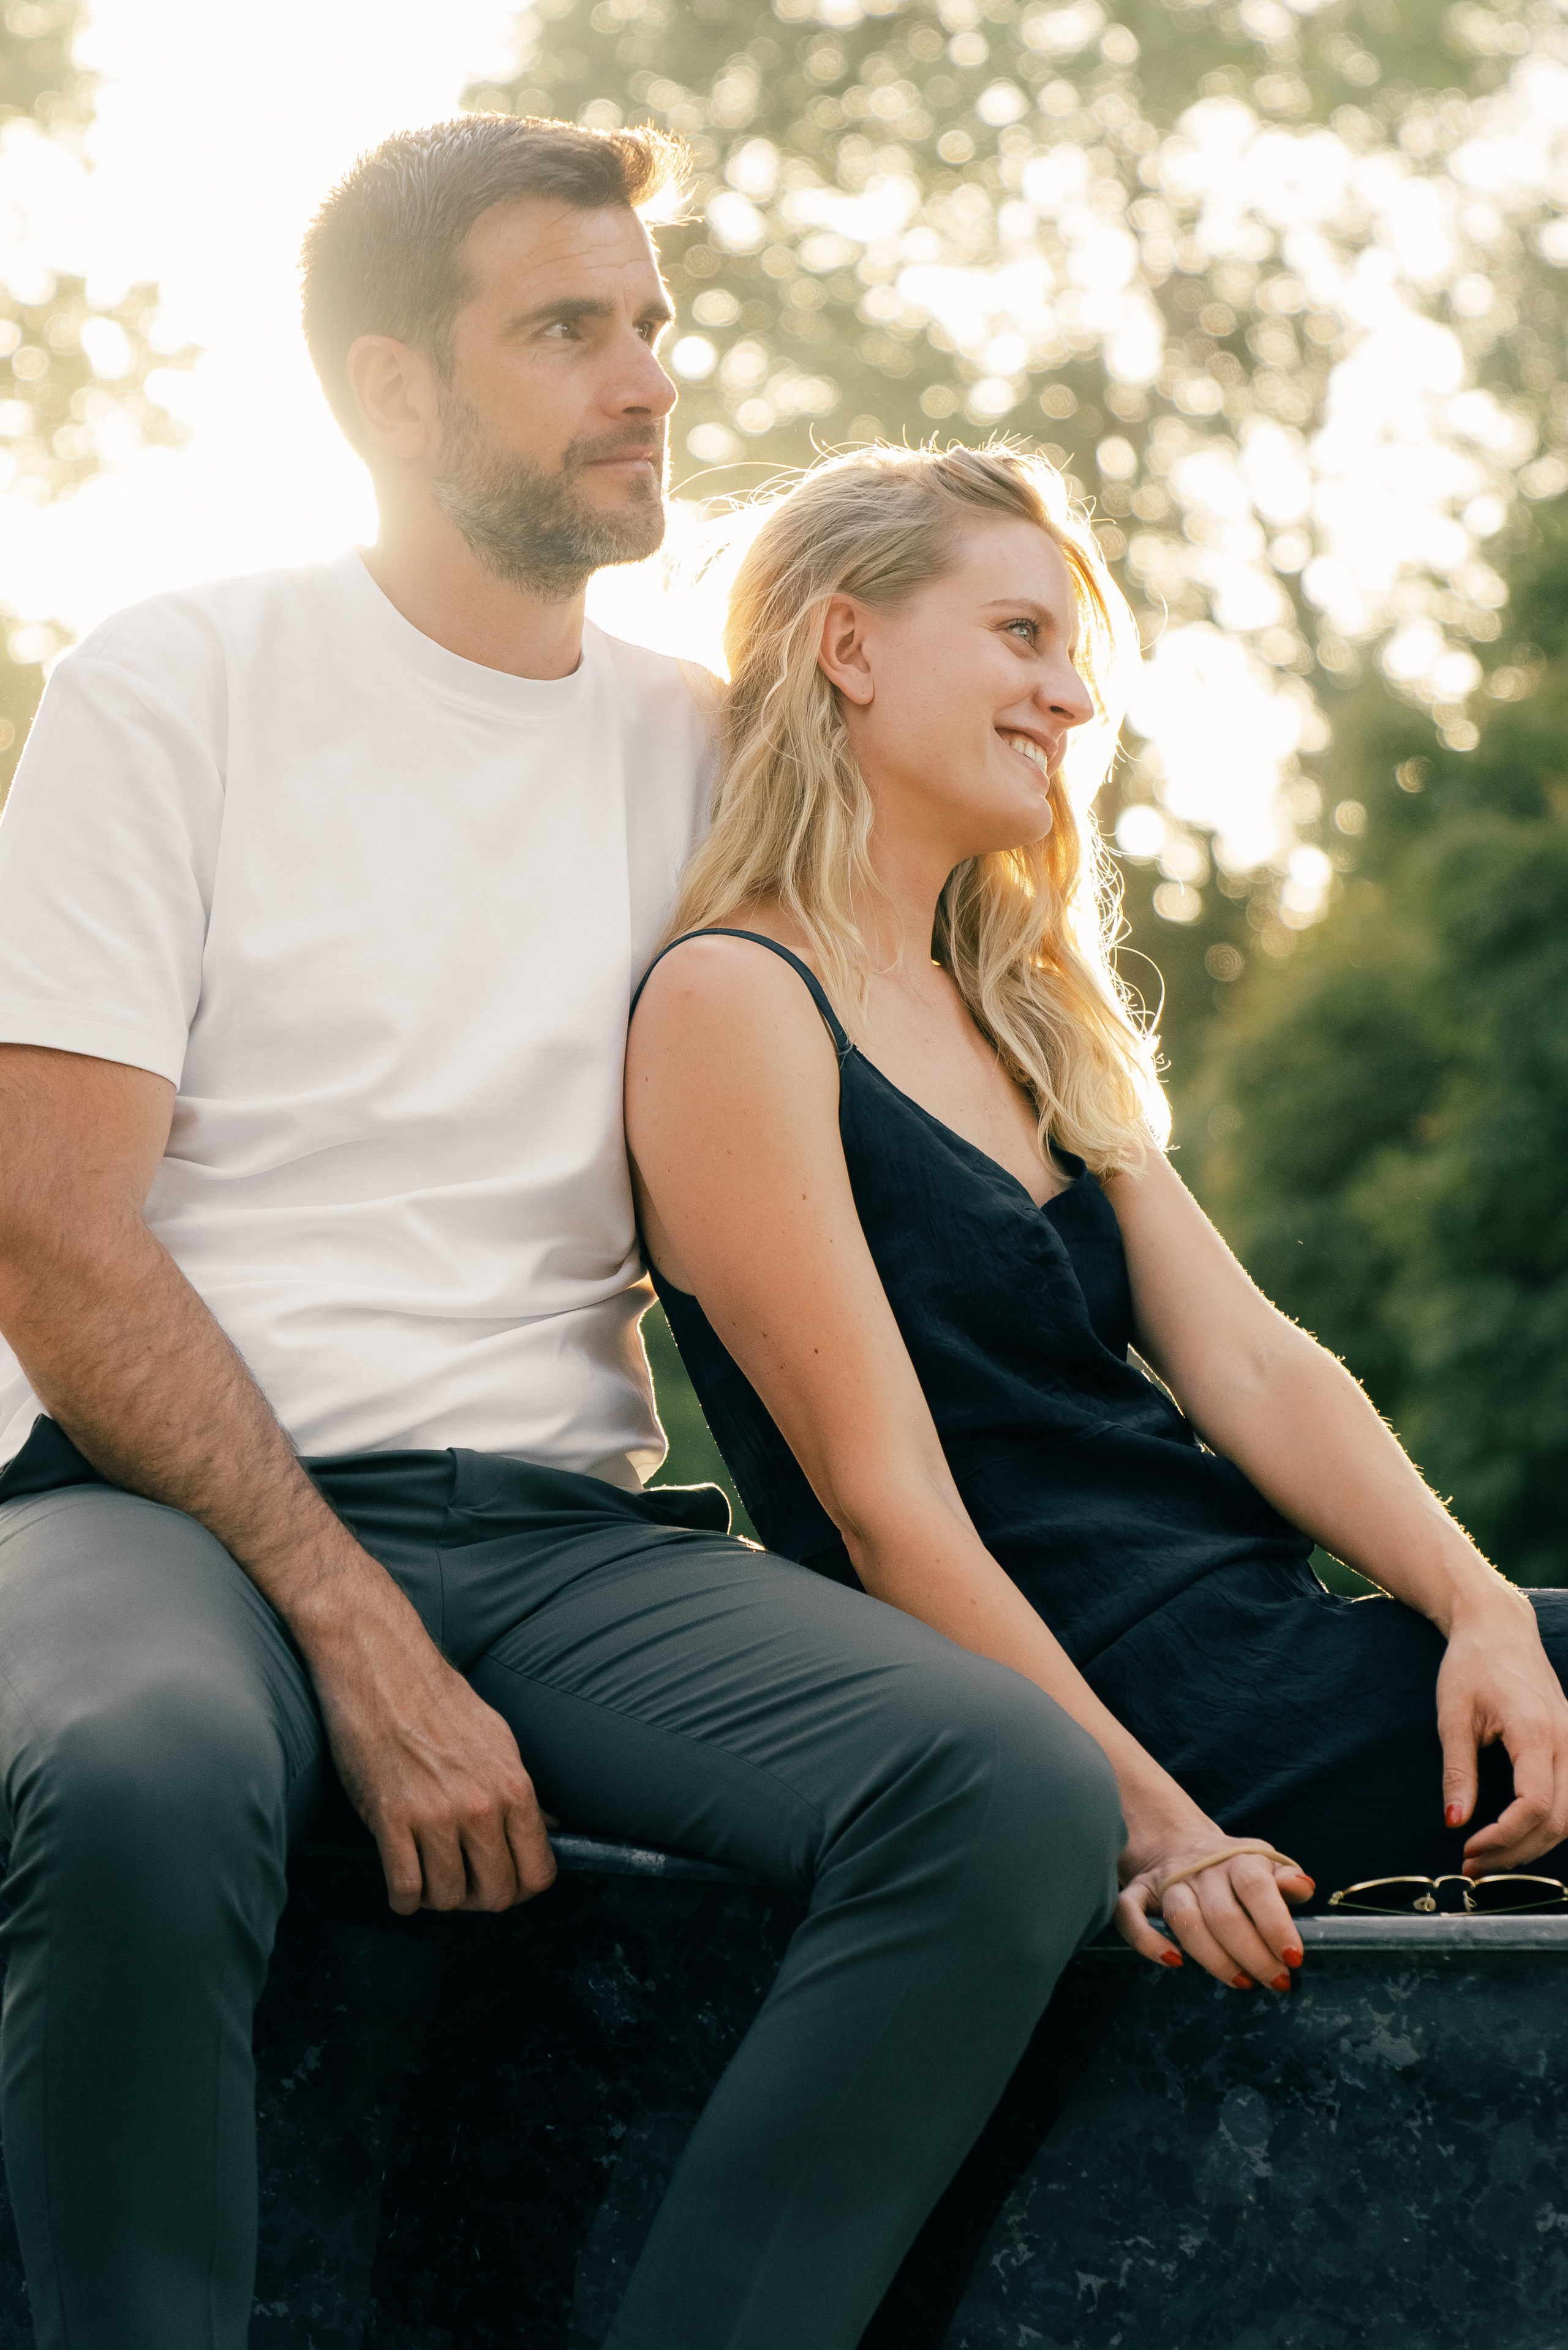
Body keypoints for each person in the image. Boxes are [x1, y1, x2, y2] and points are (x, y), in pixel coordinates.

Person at [0, 127, 1125, 2350]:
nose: (651, 381)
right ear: (394, 391)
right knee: (141, 1776)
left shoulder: (713, 756)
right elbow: (49, 1234)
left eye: (655, 325)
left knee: (1003, 1789)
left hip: (560, 1535)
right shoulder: (178, 677)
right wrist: (355, 1632)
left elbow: (927, 1109)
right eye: (568, 330)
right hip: (154, 1506)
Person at [626, 440, 1568, 1999]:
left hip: (1270, 1640)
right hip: (1112, 1714)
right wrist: (1157, 1828)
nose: (1070, 697)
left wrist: (1472, 1609)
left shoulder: (1015, 1002)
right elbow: (884, 1508)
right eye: (1019, 634)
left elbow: (1253, 1367)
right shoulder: (734, 997)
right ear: (846, 647)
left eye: (1070, 652)